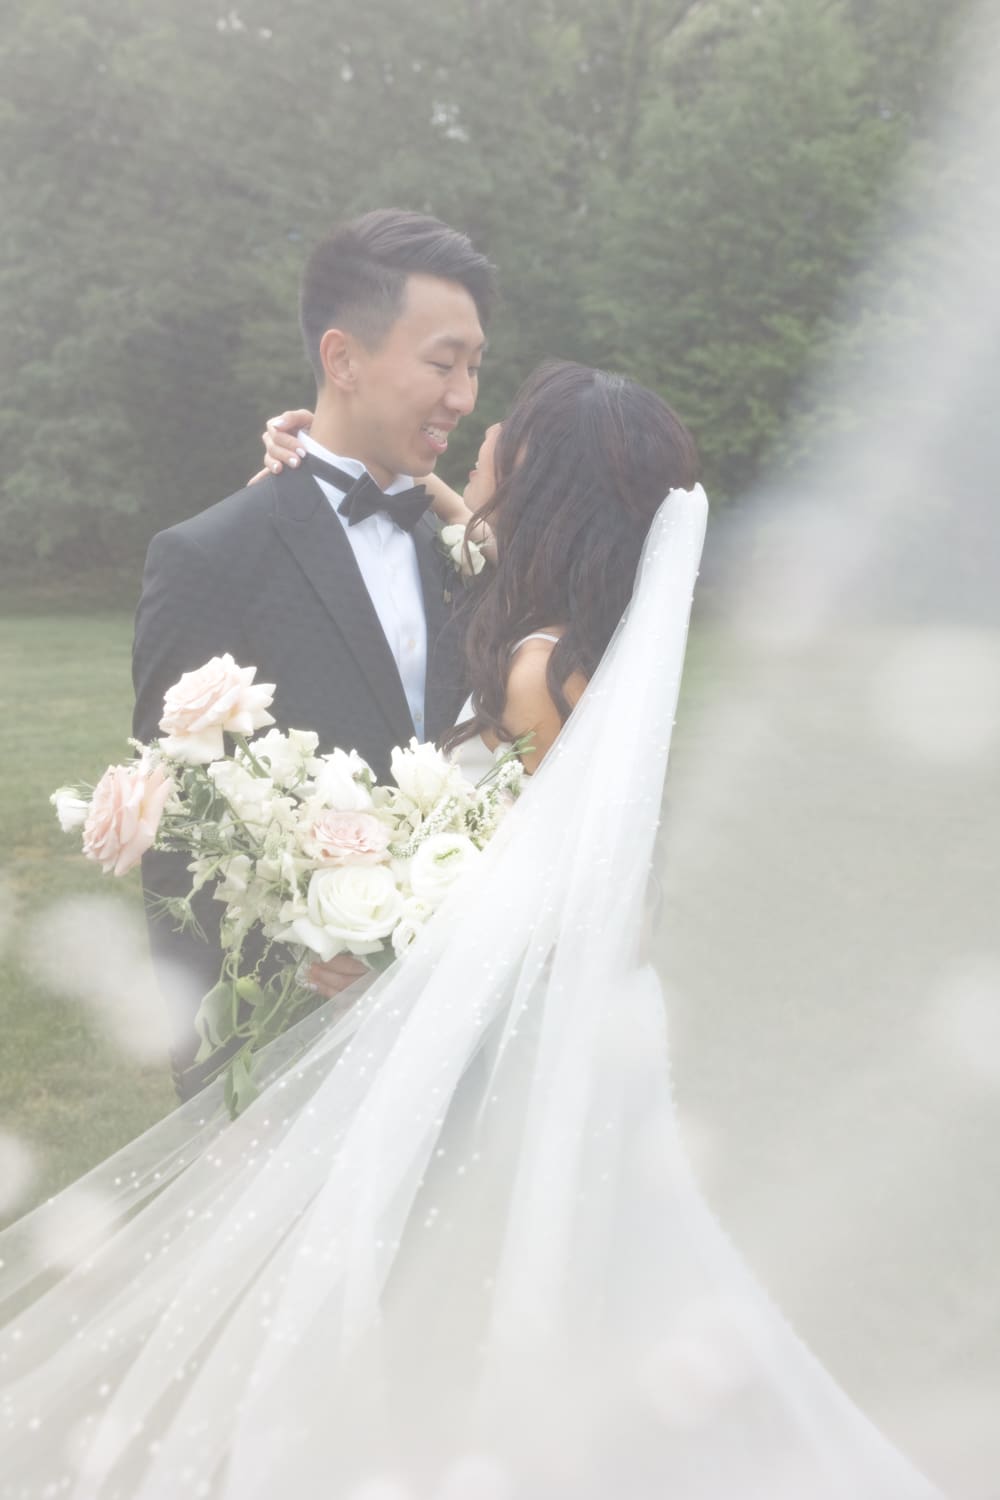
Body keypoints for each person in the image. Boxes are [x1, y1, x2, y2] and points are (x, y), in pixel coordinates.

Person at [0, 359, 947, 1499]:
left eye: (499, 440)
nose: (475, 443)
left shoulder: (541, 671)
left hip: (534, 1031)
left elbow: (597, 903)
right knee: (577, 1282)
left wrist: (397, 939)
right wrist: (311, 488)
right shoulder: (562, 635)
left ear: (537, 482)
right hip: (569, 1030)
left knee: (523, 1290)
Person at [131, 209, 496, 1096]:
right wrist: (222, 1081)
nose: (464, 395)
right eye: (443, 364)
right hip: (296, 1053)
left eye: (476, 368)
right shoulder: (212, 557)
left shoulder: (463, 551)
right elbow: (177, 843)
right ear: (343, 359)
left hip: (459, 1029)